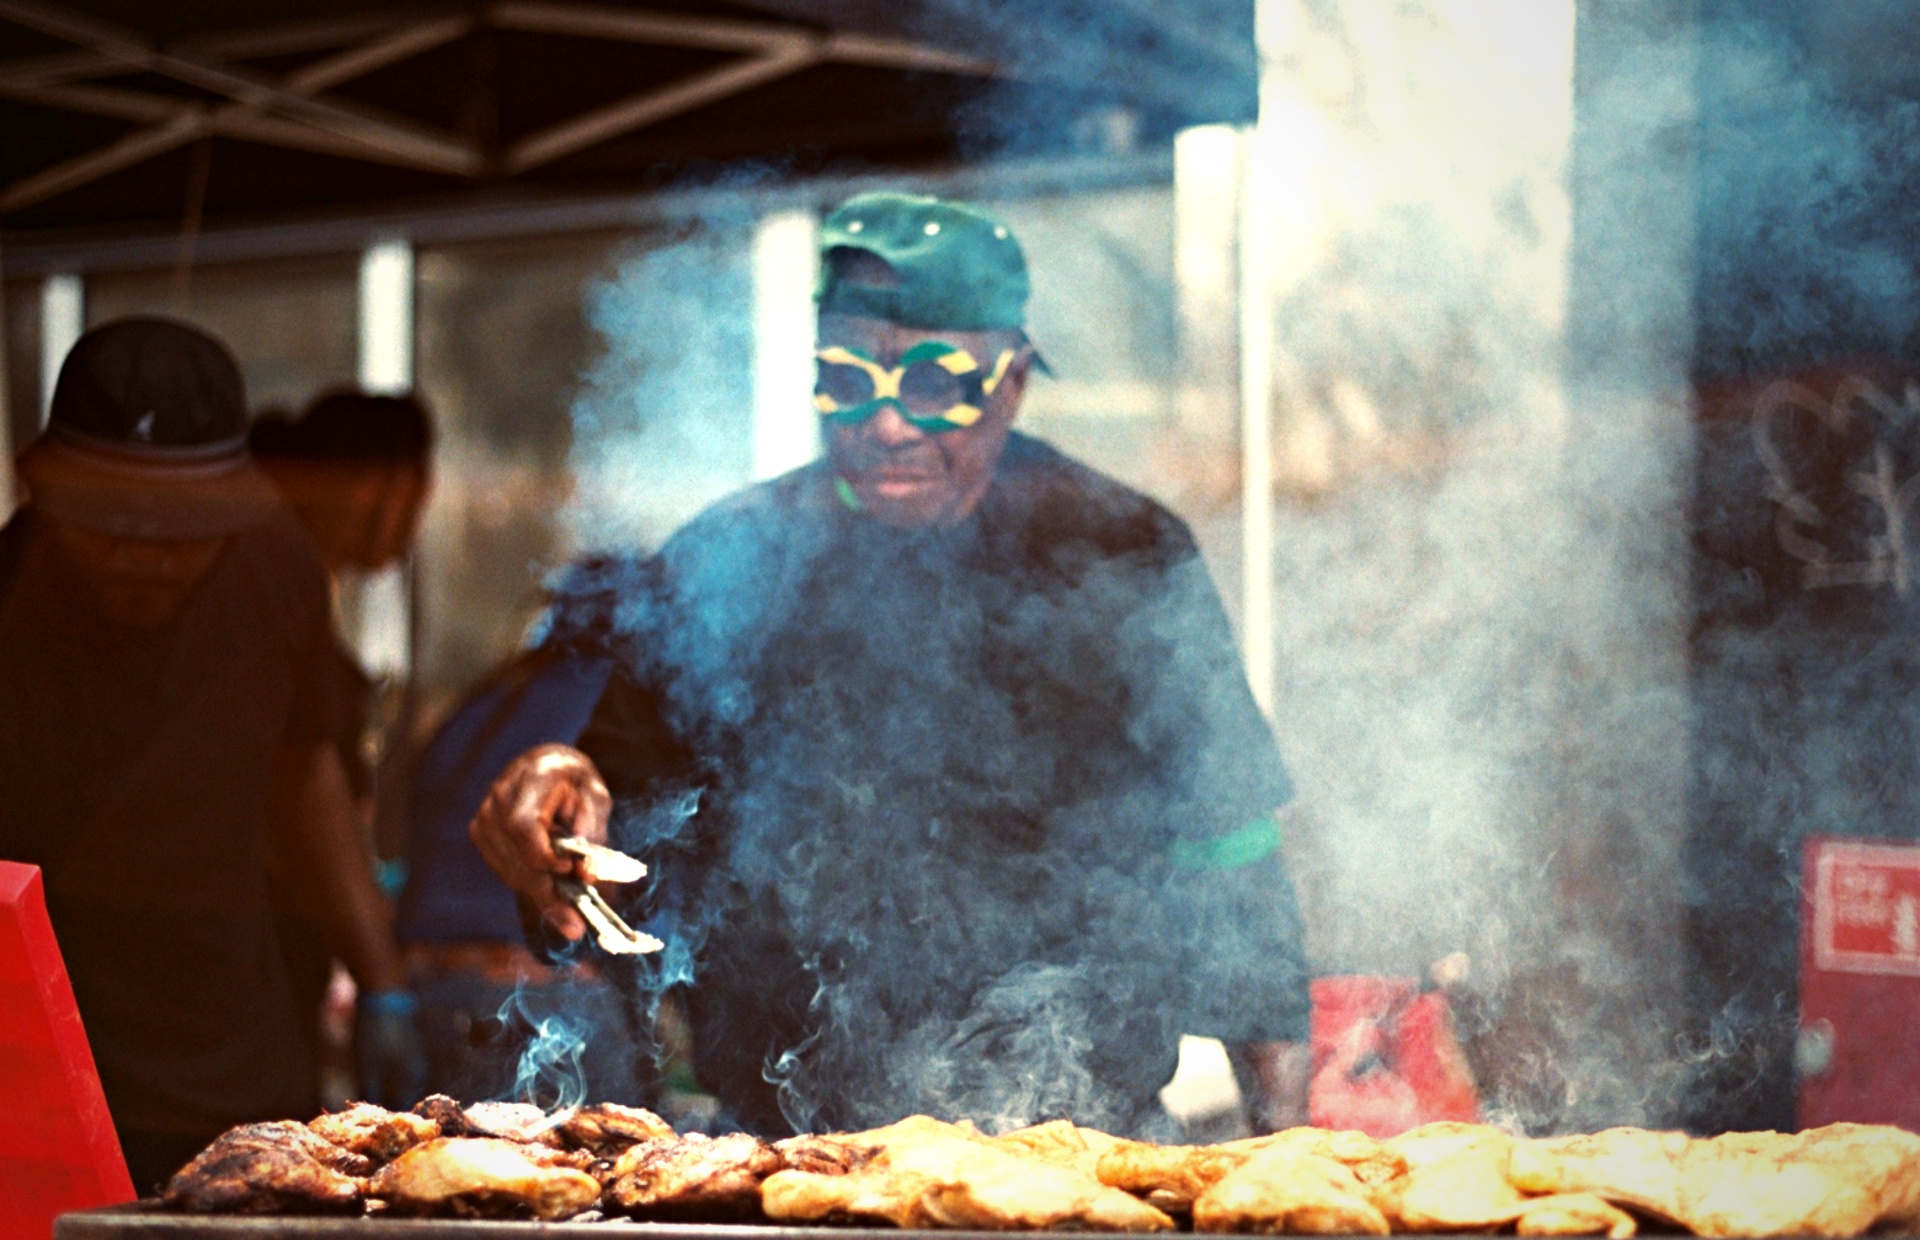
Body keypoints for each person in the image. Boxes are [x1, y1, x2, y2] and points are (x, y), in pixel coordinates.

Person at [470, 192, 1313, 1137]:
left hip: (1080, 1143)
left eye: (934, 384)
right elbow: (614, 840)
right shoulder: (728, 558)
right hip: (784, 1149)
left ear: (1013, 381)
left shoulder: (1125, 554)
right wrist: (553, 828)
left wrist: (1282, 1151)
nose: (887, 425)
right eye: (848, 379)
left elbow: (1236, 868)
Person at [0, 318, 413, 1189]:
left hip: (231, 1047)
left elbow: (303, 773)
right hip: (46, 1053)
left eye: (179, 531)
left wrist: (381, 978)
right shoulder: (10, 593)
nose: (140, 555)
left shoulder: (277, 572)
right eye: (107, 523)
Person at [250, 391, 435, 1110]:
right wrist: (381, 978)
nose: (409, 538)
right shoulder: (275, 571)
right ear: (379, 486)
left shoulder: (295, 577)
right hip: (255, 949)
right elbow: (298, 780)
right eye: (413, 505)